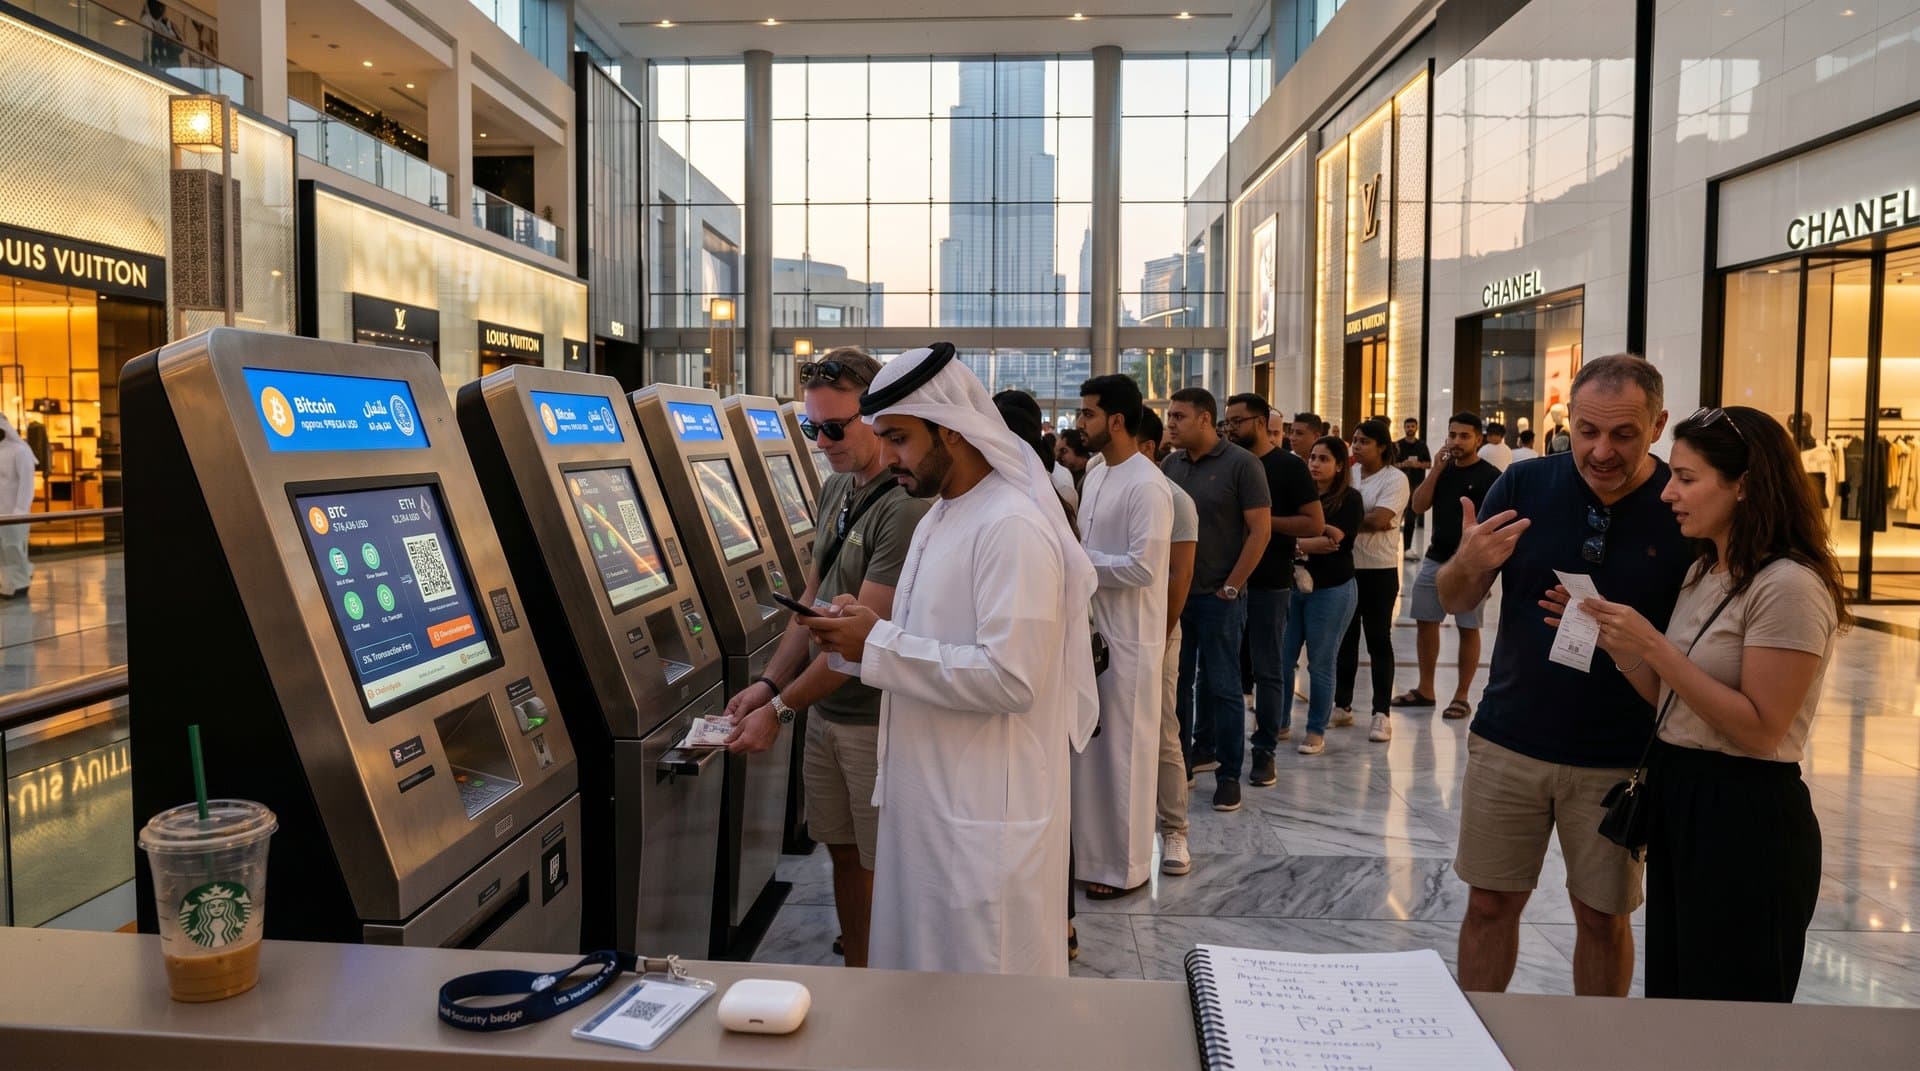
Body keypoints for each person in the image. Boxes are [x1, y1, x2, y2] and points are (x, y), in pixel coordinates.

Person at [800, 343, 1098, 977]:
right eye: (885, 437)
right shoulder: (943, 516)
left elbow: (1010, 676)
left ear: (953, 432)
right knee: (925, 997)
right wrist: (857, 633)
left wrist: (875, 643)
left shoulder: (1010, 526)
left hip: (982, 818)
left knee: (982, 1008)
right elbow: (926, 640)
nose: (892, 457)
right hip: (929, 806)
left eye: (902, 439)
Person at [1544, 406, 1844, 1002]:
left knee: (1729, 1006)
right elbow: (1674, 701)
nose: (1667, 494)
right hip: (1683, 795)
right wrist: (1621, 647)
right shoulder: (1707, 569)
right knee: (1680, 997)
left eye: (1685, 478)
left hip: (1745, 810)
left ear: (1745, 484)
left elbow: (1761, 731)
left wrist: (1654, 644)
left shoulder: (1788, 586)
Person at [1437, 354, 1693, 997]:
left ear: (1658, 424)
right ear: (1567, 422)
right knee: (1490, 905)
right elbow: (1454, 599)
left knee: (1603, 918)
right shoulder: (1524, 487)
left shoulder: (1681, 508)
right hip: (1510, 739)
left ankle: (1594, 1053)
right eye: (1586, 431)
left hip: (1620, 756)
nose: (1601, 450)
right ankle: (1479, 1040)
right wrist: (1466, 562)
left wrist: (1630, 640)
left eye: (1624, 434)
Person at [722, 349, 928, 968]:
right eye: (812, 428)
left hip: (874, 720)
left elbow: (856, 644)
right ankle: (859, 965)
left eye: (836, 427)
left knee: (879, 859)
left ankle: (883, 980)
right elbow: (809, 600)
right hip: (825, 713)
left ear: (876, 416)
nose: (822, 442)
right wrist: (766, 684)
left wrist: (780, 711)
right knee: (840, 849)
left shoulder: (905, 504)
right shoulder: (837, 486)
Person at [1071, 375, 1173, 899]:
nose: (1078, 423)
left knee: (1127, 756)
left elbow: (1144, 567)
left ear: (1116, 421)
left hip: (1132, 641)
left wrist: (1077, 562)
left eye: (1087, 414)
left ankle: (1127, 869)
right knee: (1092, 753)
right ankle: (1092, 858)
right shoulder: (1095, 471)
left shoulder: (1147, 484)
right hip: (1093, 635)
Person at [1161, 387, 1271, 813]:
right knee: (1178, 685)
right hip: (1178, 594)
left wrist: (1232, 586)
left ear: (1205, 419)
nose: (1171, 423)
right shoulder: (1171, 465)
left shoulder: (1242, 465)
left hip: (1219, 597)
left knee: (1225, 688)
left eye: (1179, 416)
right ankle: (1184, 761)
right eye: (1170, 416)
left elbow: (1259, 532)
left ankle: (1228, 775)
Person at [1224, 393, 1323, 786]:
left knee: (1268, 669)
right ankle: (1214, 746)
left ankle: (1264, 749)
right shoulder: (1226, 462)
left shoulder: (1288, 467)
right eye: (1227, 421)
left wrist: (1263, 523)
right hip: (1226, 581)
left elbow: (1313, 524)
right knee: (1222, 669)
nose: (1230, 428)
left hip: (1269, 582)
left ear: (1261, 422)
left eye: (1238, 421)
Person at [1396, 414, 1501, 721]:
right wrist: (1436, 470)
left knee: (1469, 627)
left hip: (1471, 564)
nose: (1456, 441)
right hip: (1436, 556)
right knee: (1425, 621)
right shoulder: (1442, 471)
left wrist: (1487, 567)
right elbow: (1417, 506)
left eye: (1464, 436)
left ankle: (1461, 696)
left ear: (1478, 440)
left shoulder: (1490, 476)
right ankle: (1426, 689)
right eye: (1452, 435)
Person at [1135, 409, 1198, 876]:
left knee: (1162, 729)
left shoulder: (1175, 500)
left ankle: (1174, 829)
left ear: (1147, 447)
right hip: (1108, 629)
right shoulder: (1097, 480)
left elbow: (1178, 578)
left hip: (1157, 629)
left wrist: (1160, 636)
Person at [1278, 437, 1364, 755]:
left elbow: (1335, 540)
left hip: (1332, 590)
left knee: (1321, 664)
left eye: (1324, 458)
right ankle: (1280, 722)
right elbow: (1292, 532)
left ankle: (1315, 730)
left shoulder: (1350, 499)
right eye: (1312, 457)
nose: (1314, 463)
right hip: (1293, 587)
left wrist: (1296, 540)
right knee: (1283, 660)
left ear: (1339, 465)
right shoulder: (1301, 494)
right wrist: (1310, 536)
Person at [1334, 419, 1407, 743]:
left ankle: (1381, 713)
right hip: (1346, 567)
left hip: (1378, 569)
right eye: (1354, 440)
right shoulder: (1348, 476)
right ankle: (1342, 705)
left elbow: (1380, 519)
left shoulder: (1396, 479)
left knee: (1378, 639)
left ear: (1381, 446)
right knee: (1345, 639)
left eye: (1364, 441)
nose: (1356, 446)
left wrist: (1343, 522)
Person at [0, 415, 36, 599]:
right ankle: (8, 584)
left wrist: (20, 510)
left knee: (13, 548)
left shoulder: (20, 451)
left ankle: (19, 584)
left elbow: (26, 483)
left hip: (14, 512)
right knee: (3, 551)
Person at [1396, 417, 1432, 558]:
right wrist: (1403, 464)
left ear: (1416, 428)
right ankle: (1392, 548)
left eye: (1412, 426)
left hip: (1416, 485)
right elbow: (1391, 464)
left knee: (1411, 517)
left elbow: (1428, 464)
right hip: (1399, 485)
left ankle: (1407, 549)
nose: (1410, 428)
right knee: (1395, 518)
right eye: (1408, 426)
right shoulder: (1398, 445)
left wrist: (1418, 465)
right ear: (1404, 428)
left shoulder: (1422, 445)